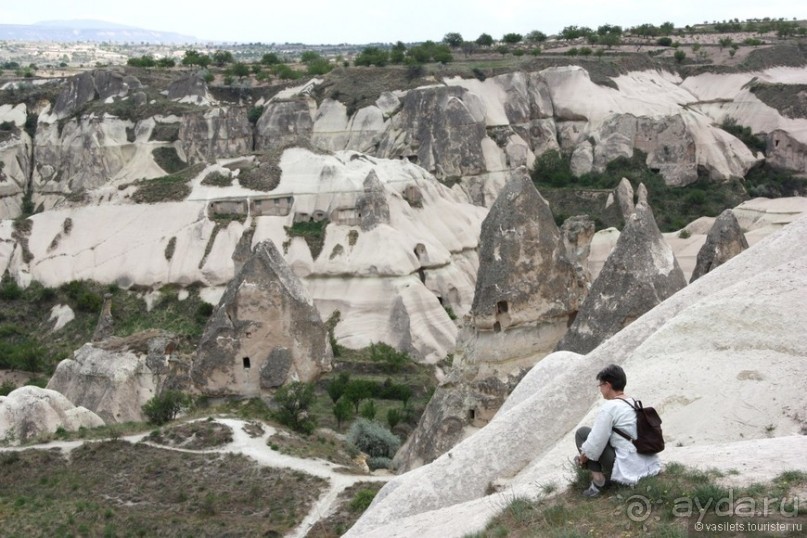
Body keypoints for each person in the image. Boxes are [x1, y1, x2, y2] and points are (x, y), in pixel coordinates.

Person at [574, 364, 660, 497]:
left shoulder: (610, 407)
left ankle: (598, 481)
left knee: (583, 433)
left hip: (629, 467)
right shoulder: (634, 402)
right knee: (602, 438)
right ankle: (604, 476)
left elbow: (595, 443)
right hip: (649, 464)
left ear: (607, 385)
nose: (600, 389)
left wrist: (582, 458)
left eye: (600, 385)